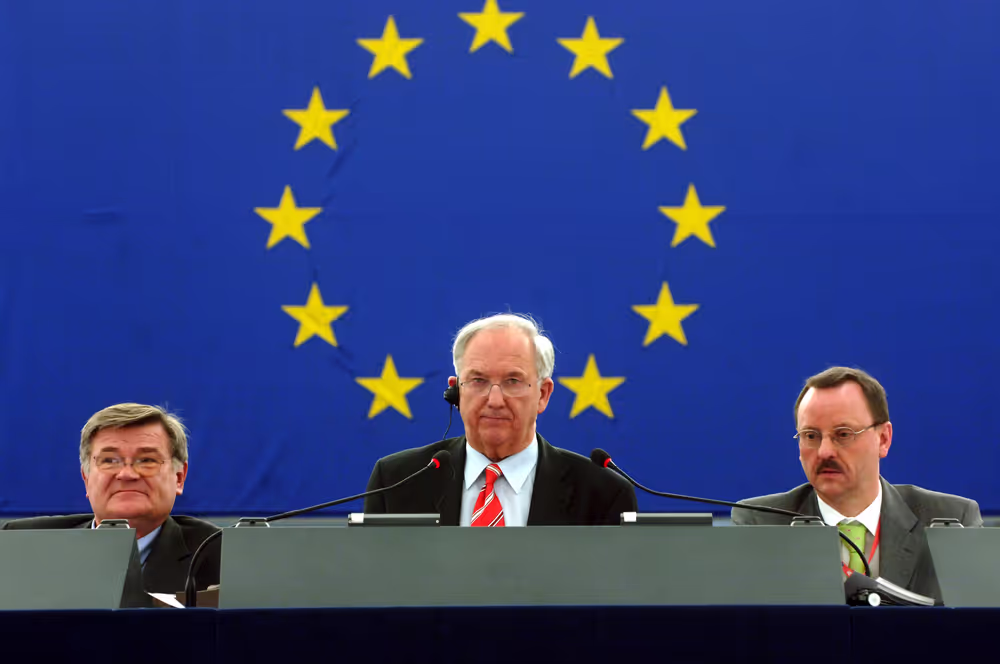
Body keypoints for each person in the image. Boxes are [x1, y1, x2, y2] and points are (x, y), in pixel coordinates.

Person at [731, 367, 981, 600]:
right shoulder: (760, 525)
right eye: (811, 436)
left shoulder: (952, 519)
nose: (824, 452)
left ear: (883, 439)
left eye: (843, 434)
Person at [364, 313, 636, 525]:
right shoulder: (396, 482)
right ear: (456, 391)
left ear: (543, 394)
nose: (494, 400)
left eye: (513, 381)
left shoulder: (602, 494)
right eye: (478, 380)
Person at [2, 403, 220, 593]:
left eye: (147, 460)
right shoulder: (17, 545)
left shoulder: (221, 554)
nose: (127, 474)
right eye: (109, 461)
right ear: (86, 478)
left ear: (179, 477)